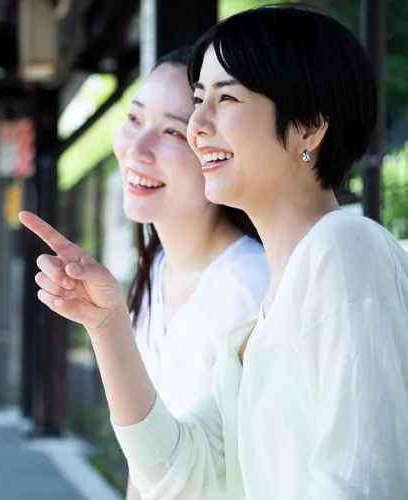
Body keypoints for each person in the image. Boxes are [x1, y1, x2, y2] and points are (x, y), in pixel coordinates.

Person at [20, 6, 408, 499]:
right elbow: (178, 474)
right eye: (199, 99)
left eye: (225, 98)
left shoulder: (345, 247)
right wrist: (107, 323)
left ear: (310, 127)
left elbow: (361, 486)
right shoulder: (253, 332)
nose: (198, 124)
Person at [110, 47, 269, 500]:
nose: (137, 150)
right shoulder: (155, 271)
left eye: (173, 133)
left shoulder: (250, 287)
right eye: (135, 119)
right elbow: (143, 466)